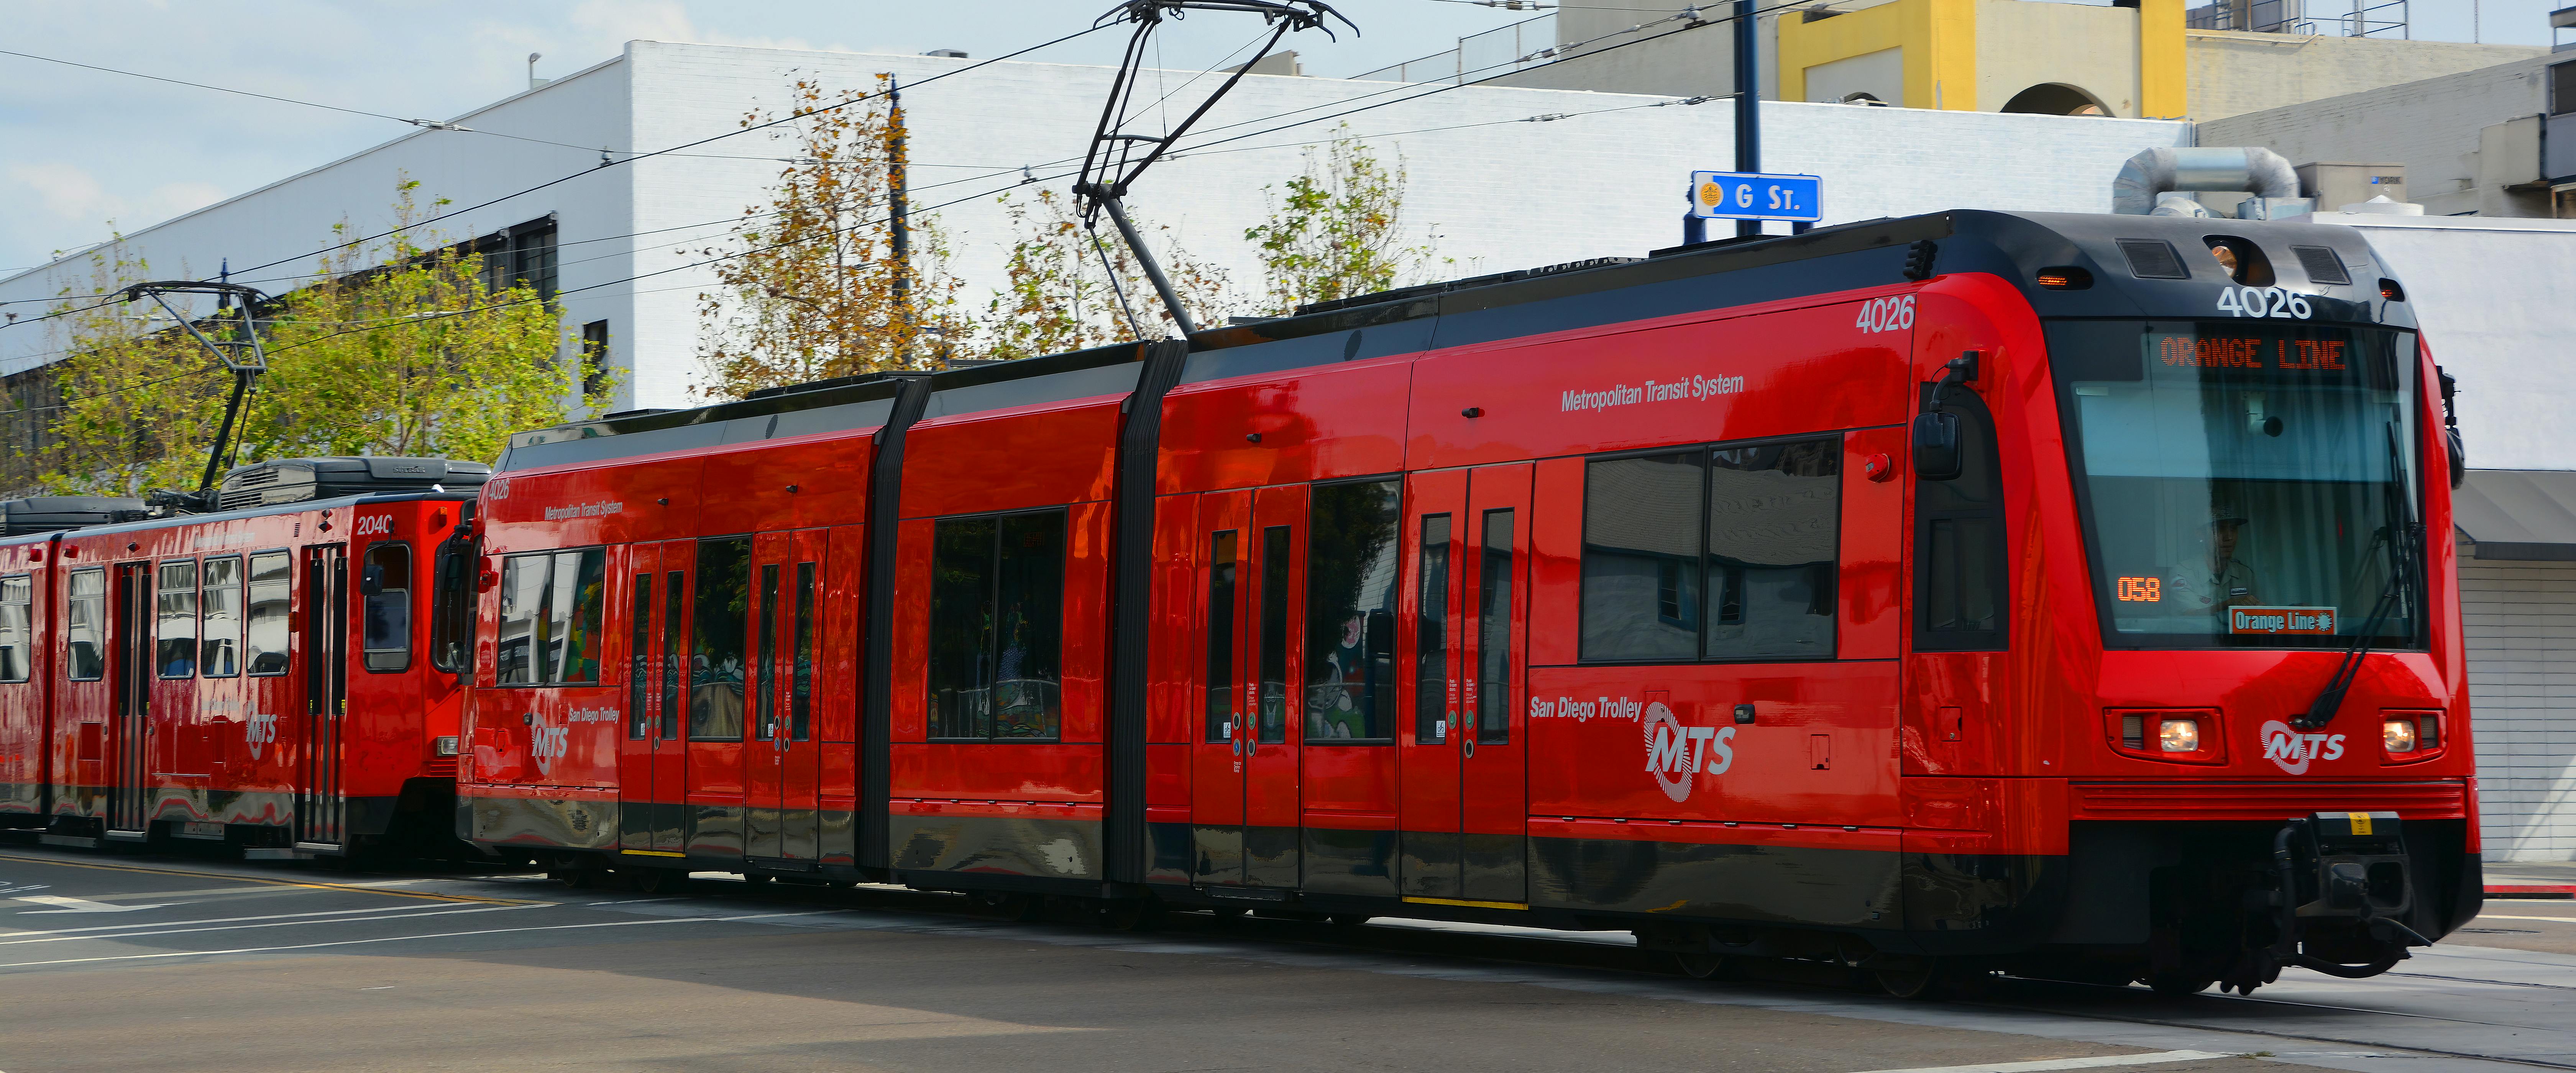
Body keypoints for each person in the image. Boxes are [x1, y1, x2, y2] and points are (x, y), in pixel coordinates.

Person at [2169, 505, 2258, 619]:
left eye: (2233, 529)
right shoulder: (2182, 574)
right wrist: (2229, 605)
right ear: (2200, 534)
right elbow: (2189, 616)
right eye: (2220, 529)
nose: (2229, 537)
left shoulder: (2245, 574)